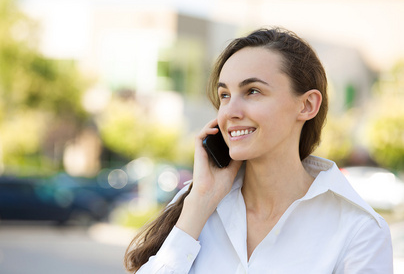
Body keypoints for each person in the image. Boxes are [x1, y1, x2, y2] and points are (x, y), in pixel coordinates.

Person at [124, 27, 393, 273]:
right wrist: (199, 204)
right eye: (225, 95)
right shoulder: (196, 204)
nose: (230, 112)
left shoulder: (359, 230)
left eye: (252, 91)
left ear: (307, 105)